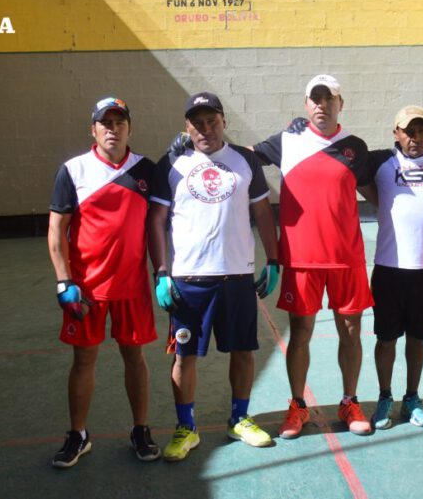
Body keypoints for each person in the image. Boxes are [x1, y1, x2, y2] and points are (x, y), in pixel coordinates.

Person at [148, 92, 280, 462]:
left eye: (212, 121)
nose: (205, 129)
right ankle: (186, 427)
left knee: (243, 350)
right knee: (185, 356)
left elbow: (263, 213)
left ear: (223, 122)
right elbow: (156, 221)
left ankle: (239, 418)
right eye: (197, 123)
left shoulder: (245, 161)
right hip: (189, 279)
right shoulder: (171, 163)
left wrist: (274, 260)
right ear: (187, 126)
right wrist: (161, 272)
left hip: (237, 275)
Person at [251, 75, 375, 438]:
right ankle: (297, 406)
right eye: (315, 98)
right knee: (301, 332)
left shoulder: (355, 147)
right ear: (306, 105)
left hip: (346, 258)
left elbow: (377, 188)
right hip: (302, 259)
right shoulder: (286, 140)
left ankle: (349, 402)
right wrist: (192, 147)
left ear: (340, 103)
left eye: (328, 98)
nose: (322, 104)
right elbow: (242, 155)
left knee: (351, 332)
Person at [47, 96, 160, 468]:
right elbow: (56, 231)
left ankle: (140, 430)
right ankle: (78, 435)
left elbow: (165, 217)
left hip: (132, 287)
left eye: (119, 122)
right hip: (86, 290)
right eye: (105, 123)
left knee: (135, 358)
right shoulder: (73, 170)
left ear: (129, 128)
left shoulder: (146, 170)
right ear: (93, 130)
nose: (113, 129)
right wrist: (64, 282)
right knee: (84, 360)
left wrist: (163, 272)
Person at [357, 105, 423, 430]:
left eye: (421, 130)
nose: (415, 137)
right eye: (408, 131)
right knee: (386, 338)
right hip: (388, 269)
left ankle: (412, 398)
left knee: (417, 338)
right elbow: (342, 161)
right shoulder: (380, 161)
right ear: (396, 134)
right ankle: (385, 397)